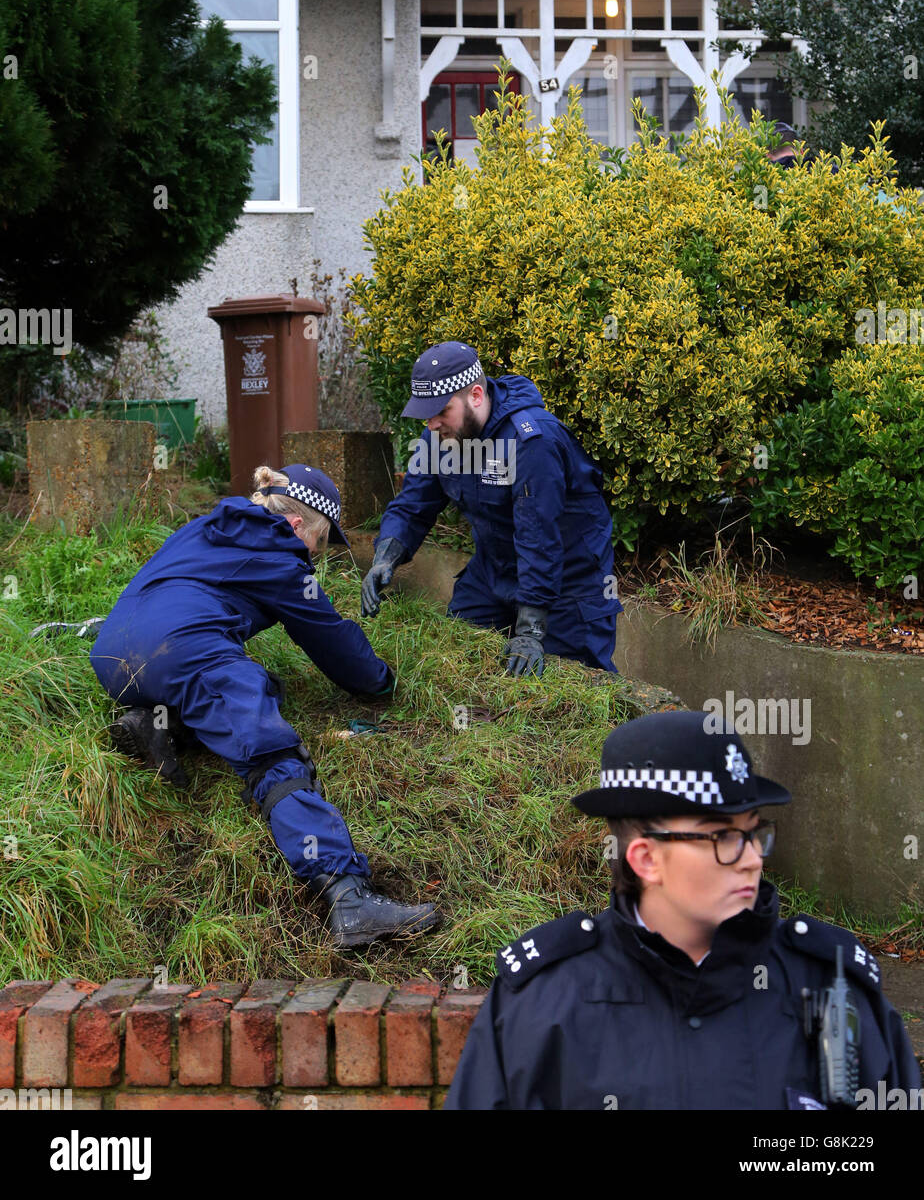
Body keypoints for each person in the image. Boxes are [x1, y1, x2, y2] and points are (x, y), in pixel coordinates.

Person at [444, 709, 919, 1110]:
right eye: (724, 837)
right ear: (647, 859)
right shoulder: (545, 1000)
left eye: (754, 832)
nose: (753, 858)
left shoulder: (831, 982)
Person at [89, 462, 440, 951]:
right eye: (318, 543)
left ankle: (156, 725)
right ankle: (348, 894)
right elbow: (332, 640)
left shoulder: (206, 525)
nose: (315, 556)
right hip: (185, 652)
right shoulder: (281, 556)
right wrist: (382, 683)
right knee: (270, 750)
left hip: (113, 658)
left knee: (257, 686)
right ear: (297, 525)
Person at [361, 341, 623, 677]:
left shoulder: (532, 442)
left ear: (475, 396)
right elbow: (413, 504)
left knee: (571, 688)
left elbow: (538, 536)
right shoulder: (440, 438)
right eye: (426, 415)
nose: (431, 424)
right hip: (494, 570)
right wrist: (386, 555)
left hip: (568, 581)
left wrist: (530, 631)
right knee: (458, 661)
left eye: (442, 412)